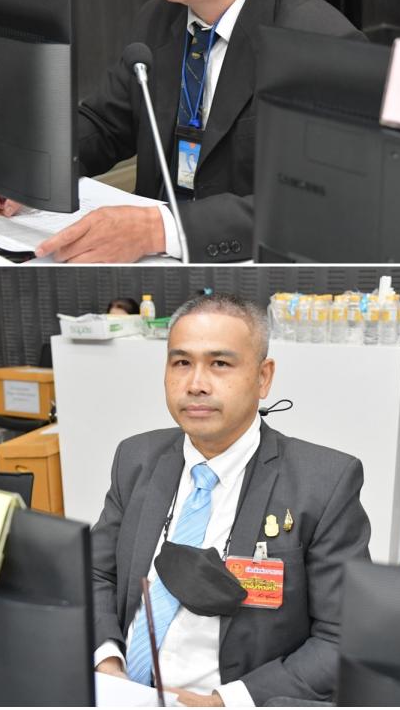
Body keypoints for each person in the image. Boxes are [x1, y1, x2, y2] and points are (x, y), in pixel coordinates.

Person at [0, 0, 365, 263]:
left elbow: (319, 204)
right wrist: (28, 169)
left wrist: (162, 229)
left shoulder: (322, 44)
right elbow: (105, 123)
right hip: (149, 262)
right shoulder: (158, 18)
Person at [92, 293, 370, 705]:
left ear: (263, 377)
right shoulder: (136, 458)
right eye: (181, 363)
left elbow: (341, 638)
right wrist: (107, 661)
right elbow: (96, 574)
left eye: (220, 364)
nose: (196, 384)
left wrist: (227, 700)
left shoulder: (324, 484)